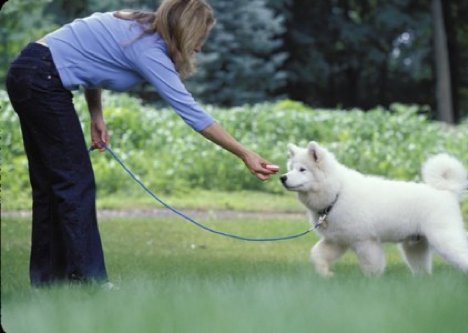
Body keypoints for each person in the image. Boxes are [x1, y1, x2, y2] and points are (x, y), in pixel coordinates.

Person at [5, 0, 279, 287]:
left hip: (32, 72)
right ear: (185, 31)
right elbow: (192, 113)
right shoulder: (149, 49)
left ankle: (48, 281)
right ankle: (88, 280)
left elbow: (89, 59)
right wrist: (245, 153)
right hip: (41, 79)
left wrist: (95, 114)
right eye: (199, 39)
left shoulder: (136, 25)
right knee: (74, 182)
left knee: (52, 185)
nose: (199, 48)